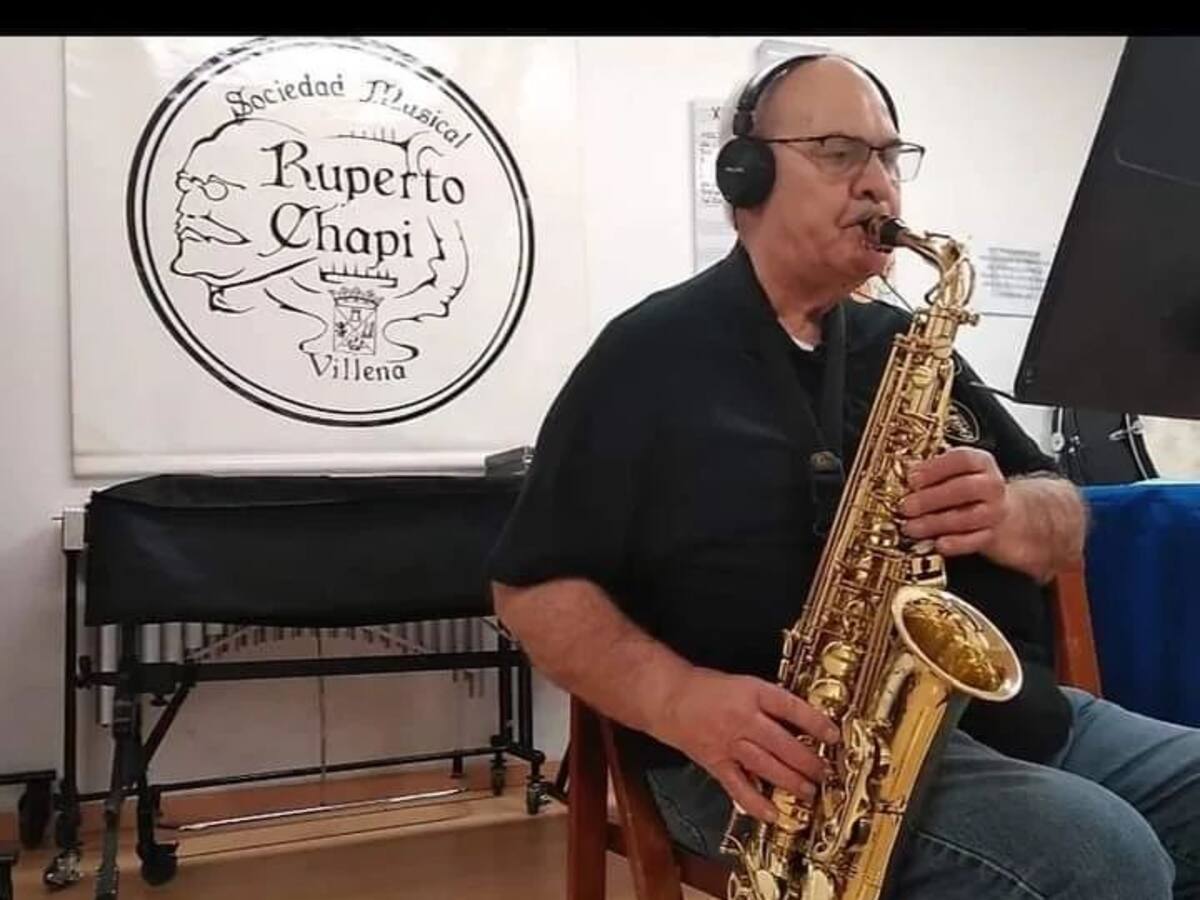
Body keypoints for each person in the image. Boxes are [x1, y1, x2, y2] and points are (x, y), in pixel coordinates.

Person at [487, 51, 1200, 898]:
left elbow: (1064, 515)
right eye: (838, 152)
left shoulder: (906, 344)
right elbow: (532, 589)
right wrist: (680, 699)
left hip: (1003, 721)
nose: (879, 185)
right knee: (1101, 857)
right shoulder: (648, 356)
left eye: (891, 157)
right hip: (776, 760)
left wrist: (1012, 511)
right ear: (745, 176)